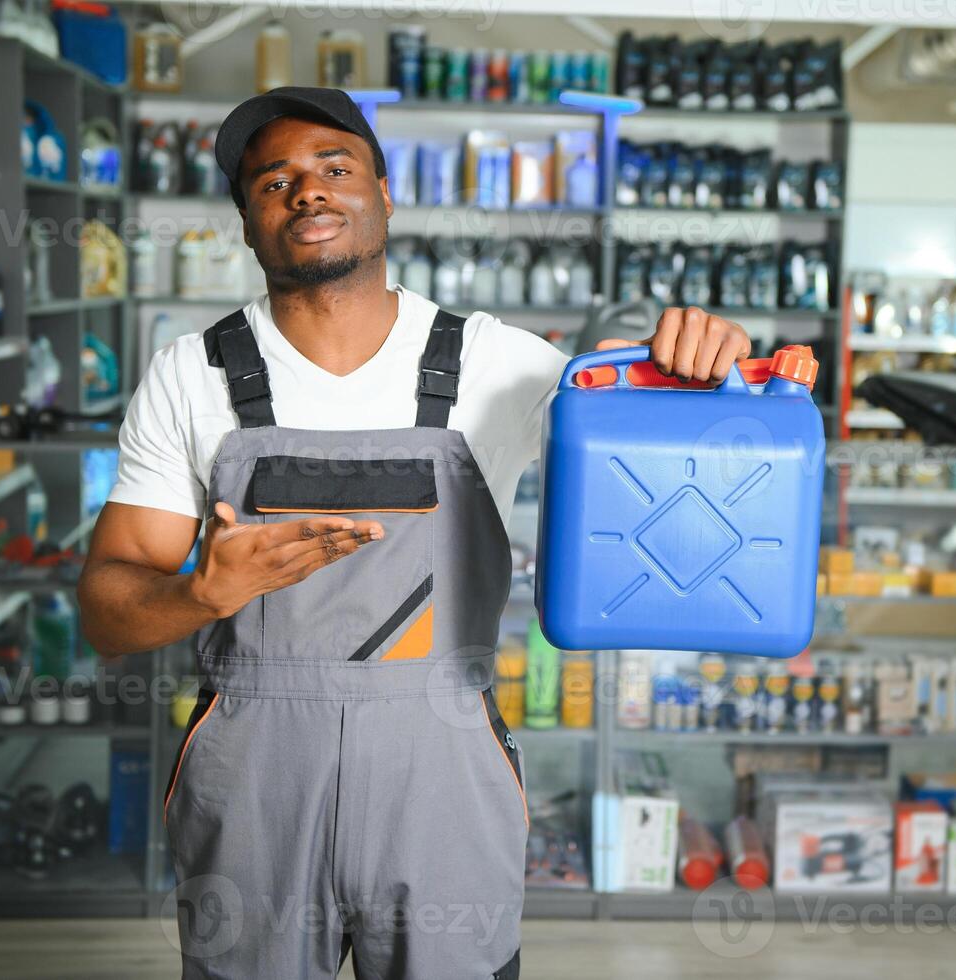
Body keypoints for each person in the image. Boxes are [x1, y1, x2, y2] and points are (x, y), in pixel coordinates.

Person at [78, 87, 753, 980]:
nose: (307, 192)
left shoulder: (499, 363)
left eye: (333, 167)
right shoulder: (191, 374)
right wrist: (204, 591)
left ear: (384, 195)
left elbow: (675, 467)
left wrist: (710, 361)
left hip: (441, 768)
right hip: (255, 778)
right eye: (273, 181)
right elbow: (108, 615)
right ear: (247, 222)